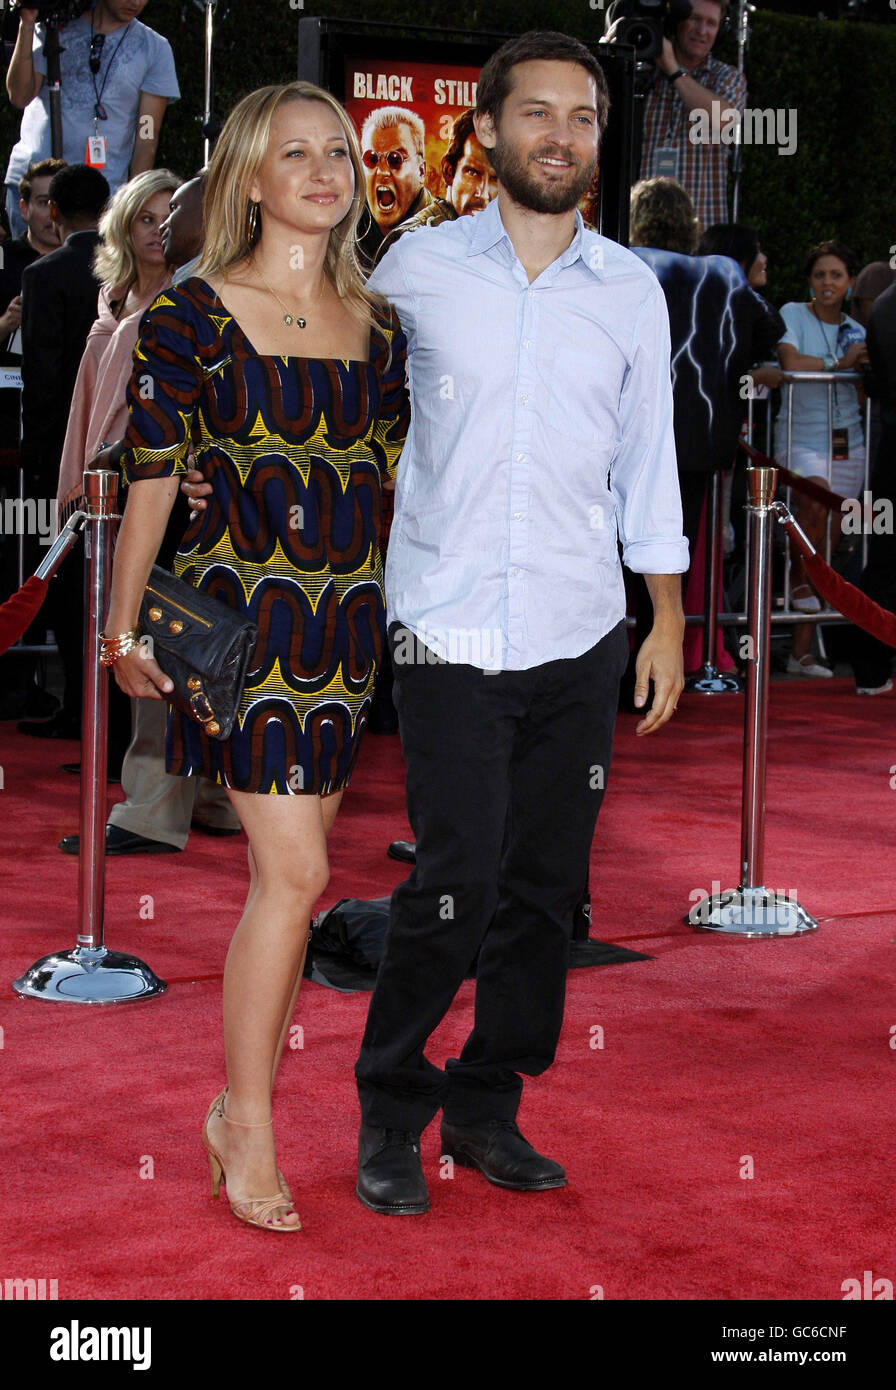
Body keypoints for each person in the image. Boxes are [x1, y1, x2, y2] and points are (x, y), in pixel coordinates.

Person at [350, 32, 687, 1216]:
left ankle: (487, 1106)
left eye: (581, 118)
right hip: (443, 629)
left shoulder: (631, 292)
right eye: (534, 114)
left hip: (580, 627)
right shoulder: (414, 268)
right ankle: (391, 1110)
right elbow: (330, 400)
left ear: (599, 138)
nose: (559, 135)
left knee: (545, 888)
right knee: (451, 883)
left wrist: (664, 619)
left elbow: (648, 467)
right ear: (485, 131)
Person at [105, 81, 409, 1231]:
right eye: (297, 153)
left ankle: (240, 1106)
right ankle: (251, 1125)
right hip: (240, 627)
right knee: (296, 878)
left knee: (284, 884)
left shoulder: (383, 326)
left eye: (338, 151)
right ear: (248, 175)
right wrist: (123, 623)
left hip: (342, 631)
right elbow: (146, 480)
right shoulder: (187, 313)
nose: (326, 171)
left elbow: (388, 482)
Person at [57, 170, 242, 855]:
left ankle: (155, 812)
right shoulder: (119, 302)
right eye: (149, 217)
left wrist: (123, 455)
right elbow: (93, 403)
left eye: (176, 212)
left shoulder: (200, 294)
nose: (162, 227)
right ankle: (202, 801)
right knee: (187, 646)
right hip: (140, 493)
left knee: (169, 644)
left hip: (176, 495)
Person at [16, 161, 109, 741]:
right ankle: (104, 714)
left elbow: (42, 378)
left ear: (54, 211)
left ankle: (79, 706)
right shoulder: (125, 268)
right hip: (123, 452)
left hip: (61, 456)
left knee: (69, 580)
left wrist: (41, 458)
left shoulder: (45, 273)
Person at [5, 1, 179, 239]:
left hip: (98, 196)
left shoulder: (154, 49)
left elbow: (147, 133)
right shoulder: (53, 26)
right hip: (36, 185)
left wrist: (135, 200)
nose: (135, 2)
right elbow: (19, 95)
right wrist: (27, 24)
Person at [774, 240, 868, 677]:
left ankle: (802, 651)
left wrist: (863, 370)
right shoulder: (793, 313)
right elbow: (789, 358)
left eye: (836, 276)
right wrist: (839, 362)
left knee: (826, 546)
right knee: (815, 502)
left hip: (849, 440)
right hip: (801, 436)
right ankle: (796, 580)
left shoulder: (859, 329)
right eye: (819, 275)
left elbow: (865, 384)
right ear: (809, 281)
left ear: (849, 283)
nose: (827, 283)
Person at [0, 156, 65, 720]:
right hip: (8, 445)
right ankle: (14, 683)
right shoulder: (6, 267)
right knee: (8, 560)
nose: (48, 214)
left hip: (56, 448)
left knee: (56, 562)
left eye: (56, 202)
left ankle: (60, 686)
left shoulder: (94, 270)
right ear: (23, 207)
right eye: (39, 202)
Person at [636, 0, 746, 233]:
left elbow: (726, 119)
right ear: (678, 21)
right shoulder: (644, 72)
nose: (702, 31)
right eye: (695, 19)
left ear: (720, 29)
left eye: (711, 23)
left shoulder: (727, 77)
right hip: (640, 230)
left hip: (701, 232)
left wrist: (674, 71)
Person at [375, 109, 497, 259]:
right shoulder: (410, 242)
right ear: (448, 171)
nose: (483, 194)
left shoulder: (497, 241)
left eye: (495, 178)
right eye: (472, 173)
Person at [357, 105, 433, 265]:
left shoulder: (443, 233)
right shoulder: (345, 231)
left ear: (421, 172)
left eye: (395, 159)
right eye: (371, 159)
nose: (382, 171)